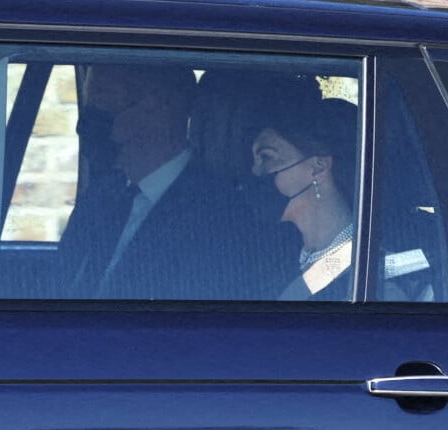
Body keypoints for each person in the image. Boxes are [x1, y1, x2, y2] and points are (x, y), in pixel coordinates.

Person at [56, 61, 297, 300]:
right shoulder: (101, 196)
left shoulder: (223, 219)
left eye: (101, 99)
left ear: (155, 106)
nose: (87, 120)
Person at [249, 91, 358, 301]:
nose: (255, 172)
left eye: (267, 157)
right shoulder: (269, 255)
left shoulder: (370, 274)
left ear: (319, 167)